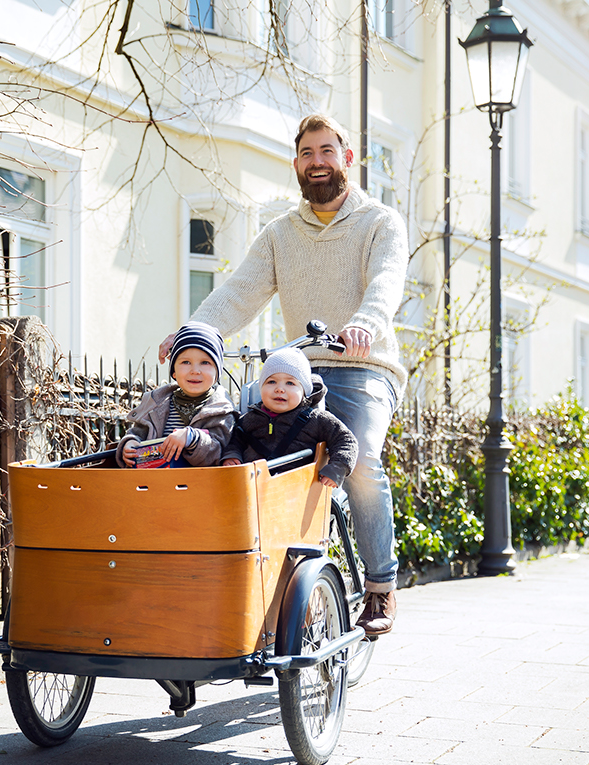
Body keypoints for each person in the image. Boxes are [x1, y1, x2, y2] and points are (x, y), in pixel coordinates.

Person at [159, 113, 407, 635]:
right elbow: (240, 290)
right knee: (236, 446)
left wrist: (365, 322)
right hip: (298, 370)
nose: (317, 162)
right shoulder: (281, 234)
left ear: (347, 159)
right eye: (307, 154)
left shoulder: (380, 222)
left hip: (365, 365)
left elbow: (386, 281)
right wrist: (194, 330)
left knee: (359, 457)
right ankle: (249, 577)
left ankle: (381, 588)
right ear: (296, 164)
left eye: (326, 151)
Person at [222, 348, 358, 489]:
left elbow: (345, 440)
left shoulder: (316, 419)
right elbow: (234, 442)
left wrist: (338, 467)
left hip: (299, 489)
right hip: (255, 489)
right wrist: (232, 456)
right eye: (271, 382)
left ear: (304, 390)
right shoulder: (249, 419)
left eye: (290, 383)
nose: (279, 389)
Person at [117, 321, 235, 468]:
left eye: (205, 363)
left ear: (217, 373)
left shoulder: (220, 410)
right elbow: (138, 432)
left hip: (198, 485)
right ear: (174, 371)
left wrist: (191, 437)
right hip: (153, 483)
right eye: (186, 362)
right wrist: (130, 443)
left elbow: (217, 452)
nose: (195, 370)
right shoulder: (157, 404)